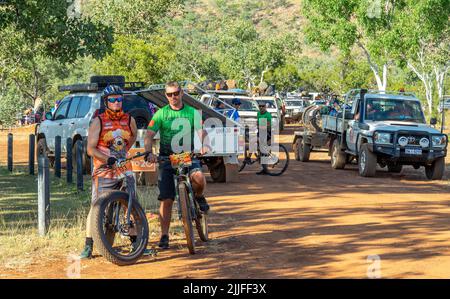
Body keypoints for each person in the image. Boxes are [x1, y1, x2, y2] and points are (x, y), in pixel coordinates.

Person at [80, 85, 146, 259]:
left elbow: (132, 137)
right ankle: (88, 245)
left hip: (124, 167)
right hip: (104, 170)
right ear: (106, 102)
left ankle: (137, 242)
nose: (116, 102)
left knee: (132, 205)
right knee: (96, 207)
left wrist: (122, 154)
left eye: (119, 99)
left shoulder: (129, 119)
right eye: (112, 99)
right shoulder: (99, 121)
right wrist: (107, 158)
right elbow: (90, 149)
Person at [144, 81, 211, 250]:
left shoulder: (192, 113)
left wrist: (204, 144)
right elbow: (149, 135)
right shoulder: (161, 114)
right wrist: (148, 151)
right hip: (167, 158)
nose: (173, 97)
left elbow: (202, 132)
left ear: (182, 93)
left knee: (199, 177)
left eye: (176, 93)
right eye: (169, 94)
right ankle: (164, 235)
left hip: (188, 156)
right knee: (166, 199)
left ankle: (199, 196)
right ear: (166, 96)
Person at [256, 102, 272, 175]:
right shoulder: (258, 113)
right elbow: (257, 122)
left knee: (264, 150)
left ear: (265, 107)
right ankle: (264, 168)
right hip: (260, 132)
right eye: (260, 106)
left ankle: (266, 167)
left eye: (263, 106)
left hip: (267, 132)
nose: (261, 107)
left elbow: (268, 125)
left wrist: (261, 126)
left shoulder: (267, 114)